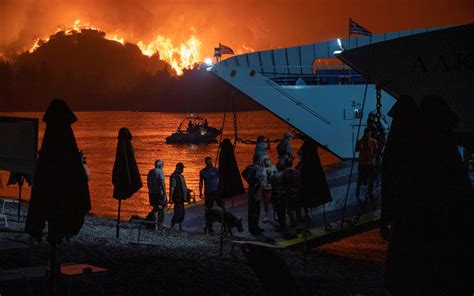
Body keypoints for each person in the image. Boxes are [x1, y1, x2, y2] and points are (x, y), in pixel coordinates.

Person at [242, 154, 264, 235]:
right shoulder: (258, 168)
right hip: (256, 191)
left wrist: (249, 181)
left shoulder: (249, 167)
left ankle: (252, 226)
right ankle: (255, 226)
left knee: (251, 209)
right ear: (259, 160)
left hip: (252, 189)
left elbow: (243, 173)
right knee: (256, 209)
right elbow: (259, 179)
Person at [355, 128, 379, 206]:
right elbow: (356, 149)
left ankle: (369, 192)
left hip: (370, 163)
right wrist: (360, 143)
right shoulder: (360, 141)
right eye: (366, 133)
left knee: (371, 179)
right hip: (362, 163)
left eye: (369, 133)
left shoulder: (373, 141)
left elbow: (376, 151)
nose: (368, 134)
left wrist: (373, 156)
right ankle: (358, 191)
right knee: (360, 178)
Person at [282, 159, 302, 227]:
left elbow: (283, 184)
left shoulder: (284, 173)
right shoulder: (297, 171)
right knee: (298, 209)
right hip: (297, 193)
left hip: (289, 194)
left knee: (290, 210)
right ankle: (299, 224)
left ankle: (293, 223)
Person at [146, 159, 167, 228]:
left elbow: (148, 183)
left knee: (155, 208)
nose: (163, 166)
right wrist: (165, 193)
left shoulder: (150, 172)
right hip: (159, 193)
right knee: (164, 206)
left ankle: (155, 225)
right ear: (160, 165)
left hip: (152, 193)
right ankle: (162, 223)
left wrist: (150, 190)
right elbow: (162, 183)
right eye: (163, 165)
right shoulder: (160, 172)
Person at [169, 162, 187, 231]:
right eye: (182, 168)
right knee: (177, 213)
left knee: (182, 213)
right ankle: (172, 226)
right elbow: (172, 188)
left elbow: (183, 186)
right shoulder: (174, 176)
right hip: (177, 198)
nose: (183, 170)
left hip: (182, 198)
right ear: (178, 168)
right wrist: (170, 198)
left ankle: (180, 228)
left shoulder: (181, 176)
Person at [270, 159, 287, 230]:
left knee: (280, 212)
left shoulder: (275, 176)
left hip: (277, 195)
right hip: (284, 195)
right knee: (283, 211)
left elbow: (270, 183)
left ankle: (282, 225)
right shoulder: (286, 173)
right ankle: (284, 224)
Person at [261, 155, 277, 223]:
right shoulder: (262, 169)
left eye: (268, 159)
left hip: (273, 187)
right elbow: (261, 179)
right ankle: (266, 215)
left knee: (274, 201)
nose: (268, 161)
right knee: (266, 202)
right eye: (266, 160)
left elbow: (276, 175)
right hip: (265, 188)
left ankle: (275, 214)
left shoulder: (274, 167)